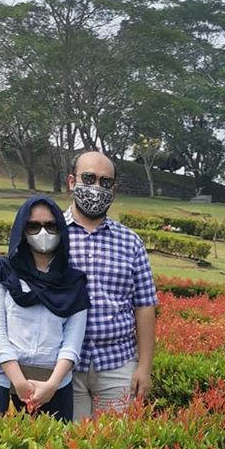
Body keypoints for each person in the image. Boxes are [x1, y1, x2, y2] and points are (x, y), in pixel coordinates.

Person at [0, 195, 89, 421]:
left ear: (61, 230)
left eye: (51, 226)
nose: (43, 233)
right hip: (1, 379)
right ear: (22, 230)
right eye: (33, 226)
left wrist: (52, 385)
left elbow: (73, 342)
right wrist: (19, 382)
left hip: (55, 385)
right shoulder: (0, 273)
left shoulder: (74, 283)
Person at [65, 150, 158, 420]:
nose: (97, 188)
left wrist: (144, 367)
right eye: (89, 178)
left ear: (114, 189)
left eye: (105, 182)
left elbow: (144, 306)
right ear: (72, 181)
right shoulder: (52, 233)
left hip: (117, 364)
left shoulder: (130, 242)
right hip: (65, 364)